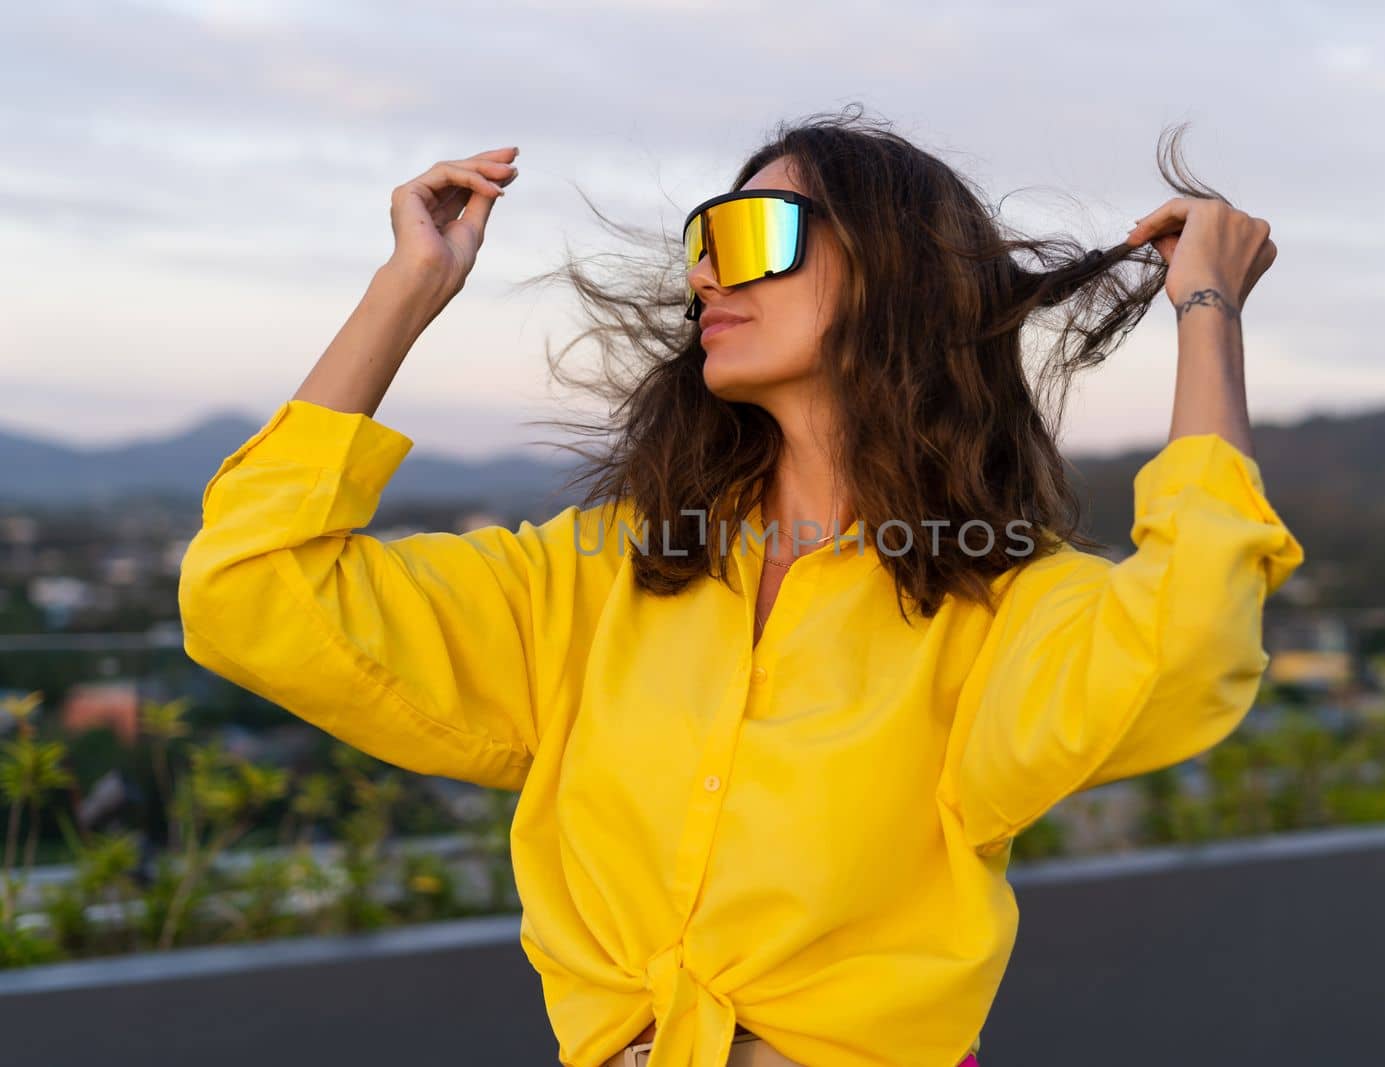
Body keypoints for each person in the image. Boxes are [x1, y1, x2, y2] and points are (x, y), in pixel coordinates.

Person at [178, 106, 1304, 1067]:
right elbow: (252, 587)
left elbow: (1191, 632)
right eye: (701, 241)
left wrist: (1207, 312)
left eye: (751, 232)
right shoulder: (593, 575)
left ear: (893, 266)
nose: (708, 270)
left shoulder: (997, 603)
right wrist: (407, 288)